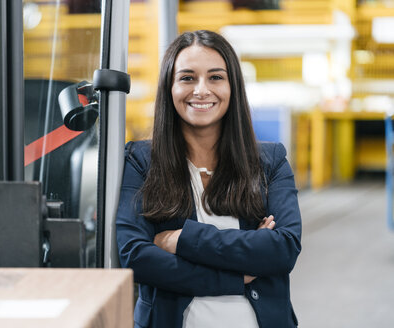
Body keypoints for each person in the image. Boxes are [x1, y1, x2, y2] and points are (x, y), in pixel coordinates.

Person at [116, 30, 301, 328]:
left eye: (215, 77)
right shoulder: (141, 161)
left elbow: (283, 250)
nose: (201, 90)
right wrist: (237, 273)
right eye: (187, 78)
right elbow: (135, 256)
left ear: (232, 87)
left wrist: (181, 239)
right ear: (170, 87)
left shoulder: (270, 161)